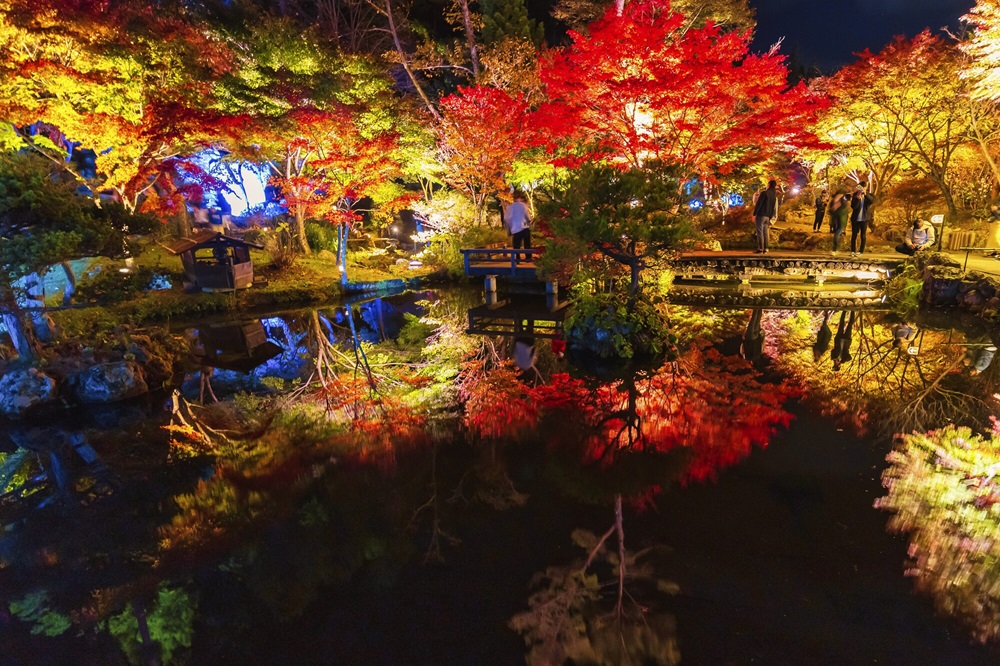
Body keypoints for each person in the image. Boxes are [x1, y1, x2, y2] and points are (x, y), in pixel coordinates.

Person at [503, 191, 532, 261]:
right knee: (527, 244)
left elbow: (507, 219)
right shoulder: (523, 206)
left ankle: (517, 259)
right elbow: (528, 217)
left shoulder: (510, 207)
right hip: (525, 227)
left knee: (516, 245)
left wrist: (509, 229)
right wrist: (529, 221)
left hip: (515, 229)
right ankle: (528, 258)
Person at [849, 182, 876, 256]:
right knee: (854, 235)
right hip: (855, 219)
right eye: (859, 187)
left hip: (864, 219)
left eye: (862, 187)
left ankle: (861, 251)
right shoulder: (855, 195)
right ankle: (853, 251)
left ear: (865, 188)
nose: (860, 189)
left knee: (863, 235)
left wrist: (865, 194)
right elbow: (854, 207)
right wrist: (858, 199)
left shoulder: (869, 195)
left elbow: (872, 201)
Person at [753, 180, 779, 254]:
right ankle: (766, 248)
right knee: (765, 233)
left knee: (760, 232)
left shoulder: (764, 193)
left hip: (761, 215)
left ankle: (760, 248)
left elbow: (759, 204)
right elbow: (773, 208)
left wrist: (754, 214)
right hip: (767, 217)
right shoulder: (774, 197)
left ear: (769, 185)